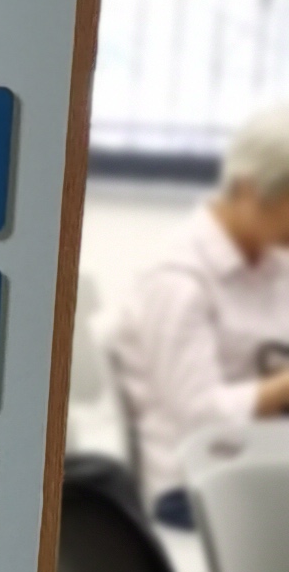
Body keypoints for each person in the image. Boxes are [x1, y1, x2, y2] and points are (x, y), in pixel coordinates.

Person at [105, 106, 289, 520]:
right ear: (249, 190)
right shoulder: (176, 279)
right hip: (198, 487)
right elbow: (200, 418)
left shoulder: (275, 261)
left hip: (266, 468)